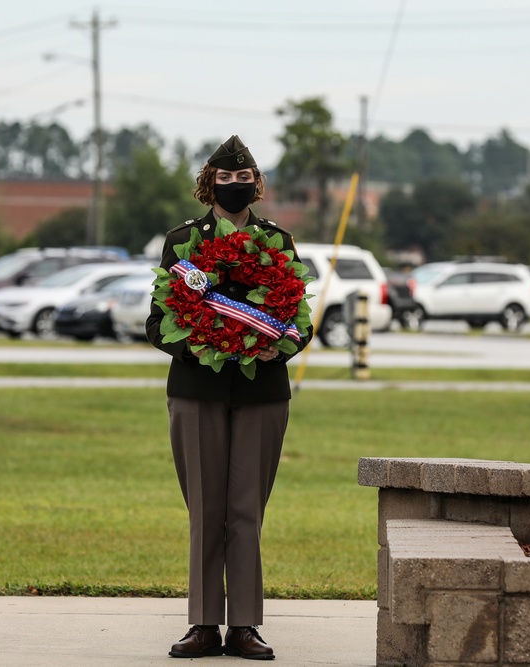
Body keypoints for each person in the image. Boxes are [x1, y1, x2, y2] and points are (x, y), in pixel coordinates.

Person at [146, 135, 312, 661]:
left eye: (245, 180)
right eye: (225, 179)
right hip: (198, 387)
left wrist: (276, 348)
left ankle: (244, 625)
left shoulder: (278, 242)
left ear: (256, 184)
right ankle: (202, 624)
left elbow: (298, 319)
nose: (235, 187)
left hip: (263, 390)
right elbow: (157, 323)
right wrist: (205, 346)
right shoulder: (182, 244)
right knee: (205, 508)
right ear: (208, 183)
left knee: (246, 510)